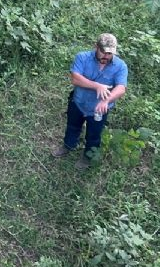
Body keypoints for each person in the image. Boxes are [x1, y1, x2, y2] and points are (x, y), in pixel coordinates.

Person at [52, 33, 128, 170]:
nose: (106, 56)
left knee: (94, 134)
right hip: (78, 103)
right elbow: (75, 78)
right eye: (103, 52)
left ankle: (88, 156)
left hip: (99, 110)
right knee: (72, 126)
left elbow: (121, 88)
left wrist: (107, 100)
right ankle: (68, 146)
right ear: (96, 47)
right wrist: (97, 86)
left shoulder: (120, 66)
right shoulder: (82, 57)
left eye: (110, 53)